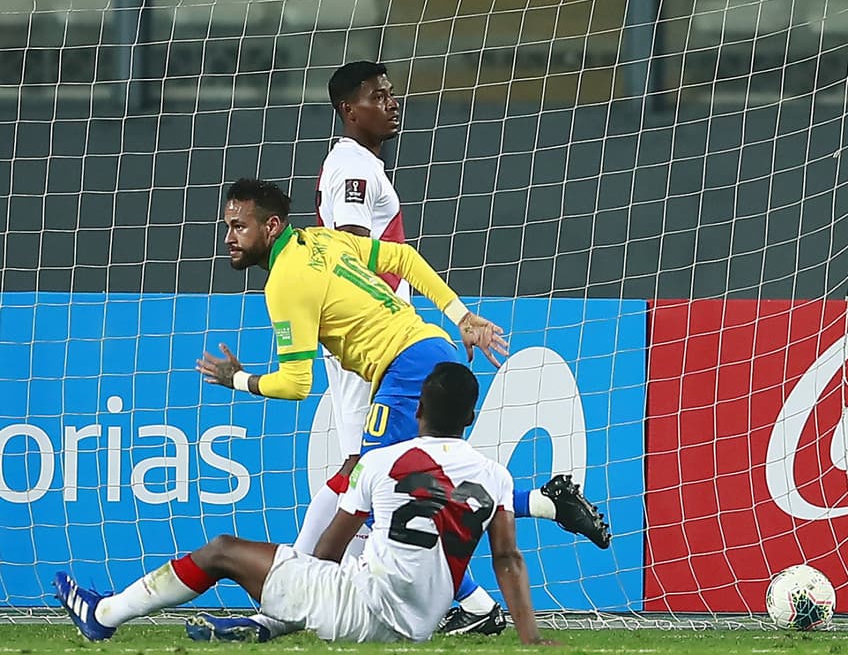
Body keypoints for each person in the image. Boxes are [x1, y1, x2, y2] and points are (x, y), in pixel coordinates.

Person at [190, 178, 608, 642]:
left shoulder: (289, 275)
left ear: (271, 226)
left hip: (405, 367)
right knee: (370, 479)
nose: (229, 236)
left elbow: (296, 384)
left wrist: (238, 379)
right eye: (228, 226)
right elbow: (404, 258)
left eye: (238, 226)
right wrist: (461, 316)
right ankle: (546, 505)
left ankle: (472, 602)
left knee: (373, 492)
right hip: (428, 348)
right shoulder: (323, 240)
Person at [55, 362, 556, 646]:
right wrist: (531, 637)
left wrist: (291, 590)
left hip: (363, 611)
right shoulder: (496, 476)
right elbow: (508, 559)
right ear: (470, 417)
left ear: (418, 408)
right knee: (324, 574)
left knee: (222, 550)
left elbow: (329, 551)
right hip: (422, 625)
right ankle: (274, 618)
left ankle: (106, 614)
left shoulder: (378, 462)